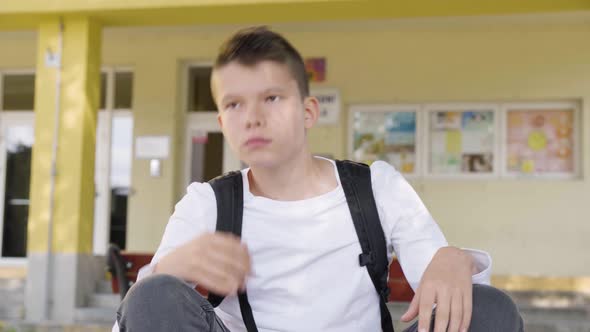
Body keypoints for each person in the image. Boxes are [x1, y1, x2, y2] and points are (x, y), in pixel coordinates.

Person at [114, 26, 522, 332]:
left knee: (490, 309)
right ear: (223, 122)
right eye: (235, 104)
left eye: (271, 98)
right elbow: (140, 315)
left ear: (308, 111)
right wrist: (170, 268)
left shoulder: (375, 188)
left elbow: (442, 285)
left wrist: (453, 259)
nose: (253, 116)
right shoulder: (208, 204)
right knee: (154, 293)